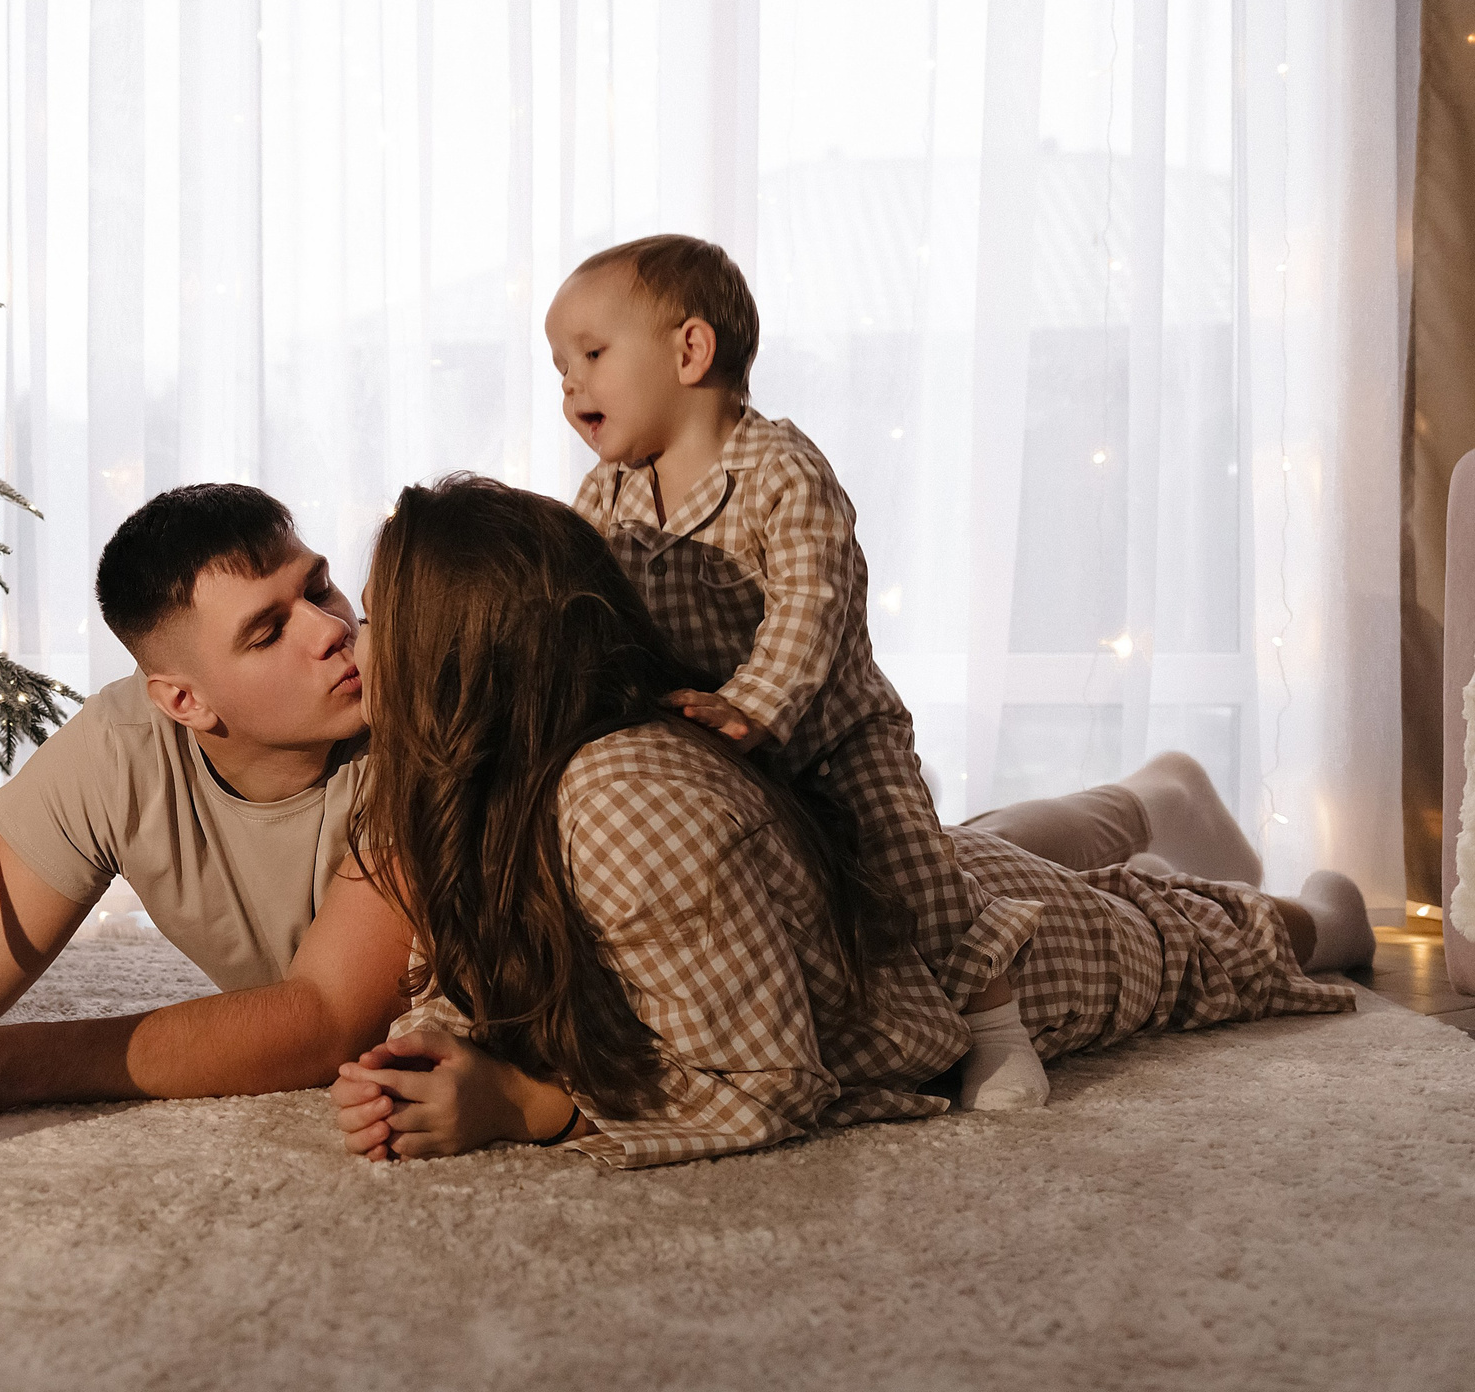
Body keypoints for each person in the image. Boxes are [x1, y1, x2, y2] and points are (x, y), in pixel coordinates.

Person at [327, 476, 1367, 1166]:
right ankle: (1156, 796)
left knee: (1196, 941)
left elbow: (771, 1083)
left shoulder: (613, 797)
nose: (351, 643)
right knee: (1016, 852)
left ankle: (1333, 911)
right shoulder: (469, 795)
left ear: (461, 662)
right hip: (873, 888)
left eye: (375, 617)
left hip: (973, 962)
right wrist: (435, 1047)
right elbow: (470, 976)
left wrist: (527, 1103)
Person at [549, 234, 1319, 1110]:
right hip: (718, 754)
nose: (569, 384)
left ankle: (996, 1027)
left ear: (690, 351)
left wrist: (756, 704)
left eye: (592, 356)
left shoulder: (779, 471)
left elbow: (815, 605)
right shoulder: (603, 500)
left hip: (830, 735)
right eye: (560, 366)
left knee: (916, 879)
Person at [0, 484, 413, 1130]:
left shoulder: (418, 727)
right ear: (184, 702)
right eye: (267, 632)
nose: (330, 629)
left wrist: (2, 1067)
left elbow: (328, 1020)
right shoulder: (122, 747)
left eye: (319, 587)